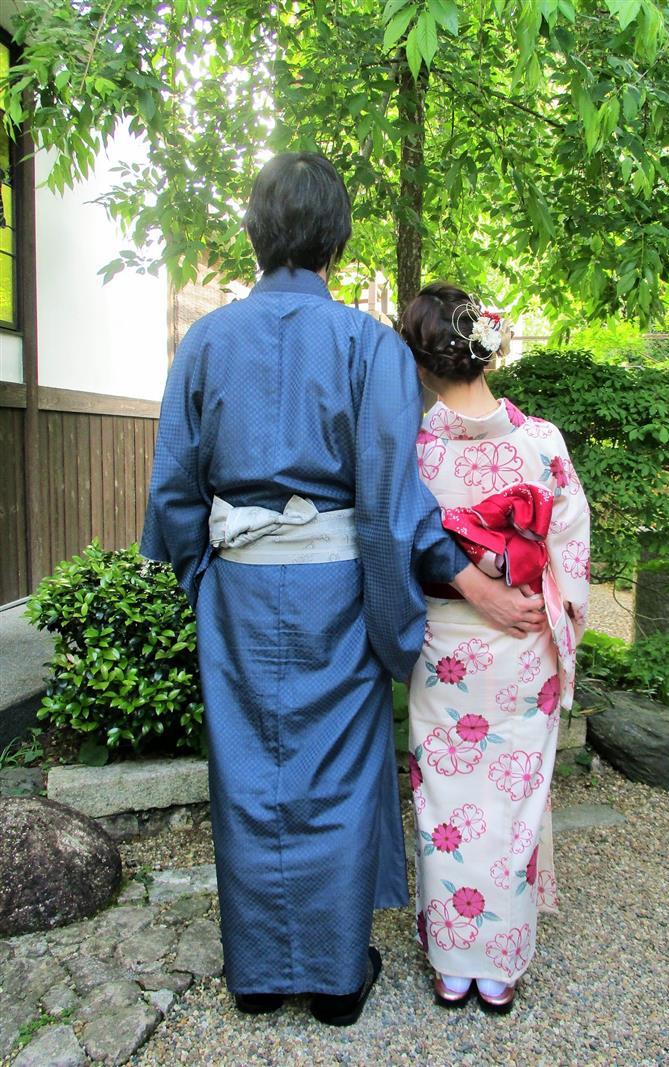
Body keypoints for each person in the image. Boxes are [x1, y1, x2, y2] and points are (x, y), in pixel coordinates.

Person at [140, 155, 545, 1027]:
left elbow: (174, 488)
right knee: (338, 777)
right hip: (338, 591)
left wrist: (204, 578)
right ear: (335, 240)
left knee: (248, 775)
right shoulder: (366, 344)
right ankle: (333, 980)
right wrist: (401, 618)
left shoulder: (207, 340)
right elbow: (393, 502)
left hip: (239, 593)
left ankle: (256, 976)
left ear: (256, 233)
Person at [400, 282, 590, 1014]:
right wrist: (550, 610)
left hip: (443, 646)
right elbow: (570, 548)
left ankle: (453, 965)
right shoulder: (541, 441)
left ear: (422, 362)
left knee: (445, 800)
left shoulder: (413, 450)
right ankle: (498, 967)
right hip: (523, 645)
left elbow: (398, 544)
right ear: (487, 350)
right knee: (513, 801)